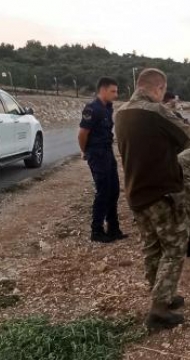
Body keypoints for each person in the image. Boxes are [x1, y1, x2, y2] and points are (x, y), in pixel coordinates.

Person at [115, 68, 190, 331]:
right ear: (159, 88)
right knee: (174, 249)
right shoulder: (157, 111)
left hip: (136, 193)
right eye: (163, 92)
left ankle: (162, 295)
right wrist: (174, 110)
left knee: (152, 247)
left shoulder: (121, 112)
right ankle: (159, 310)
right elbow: (187, 137)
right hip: (162, 193)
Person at [77, 77, 127, 243]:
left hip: (107, 151)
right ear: (103, 90)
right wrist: (85, 151)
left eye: (116, 91)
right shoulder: (93, 109)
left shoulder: (108, 108)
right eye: (113, 91)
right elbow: (82, 134)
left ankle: (113, 228)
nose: (116, 94)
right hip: (97, 153)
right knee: (103, 191)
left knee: (114, 190)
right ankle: (96, 231)